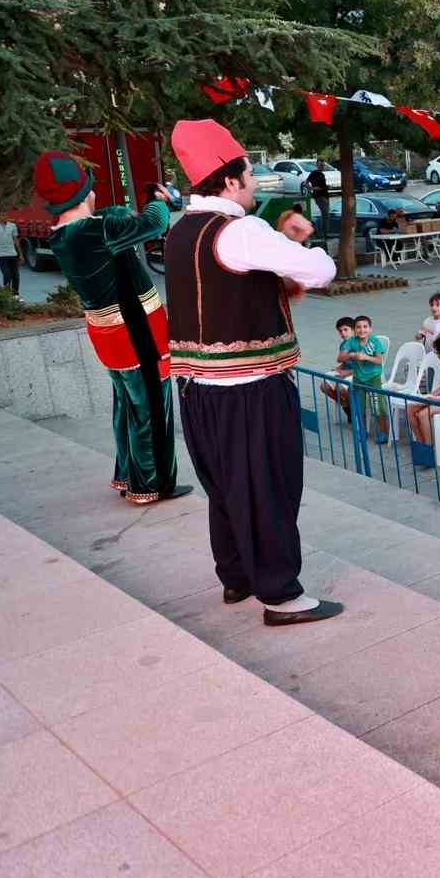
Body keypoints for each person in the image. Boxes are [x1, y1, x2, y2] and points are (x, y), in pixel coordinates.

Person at [164, 119, 339, 623]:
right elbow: (321, 272)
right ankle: (281, 596)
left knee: (225, 489)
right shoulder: (240, 230)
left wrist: (280, 241)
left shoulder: (181, 230)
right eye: (249, 171)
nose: (256, 180)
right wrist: (303, 245)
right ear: (229, 180)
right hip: (250, 390)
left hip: (197, 391)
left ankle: (237, 577)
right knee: (268, 490)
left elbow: (235, 280)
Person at [34, 151, 185, 505]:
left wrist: (117, 213)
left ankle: (127, 475)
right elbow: (154, 224)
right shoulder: (94, 230)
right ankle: (152, 484)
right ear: (82, 195)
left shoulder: (66, 236)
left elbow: (111, 224)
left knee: (127, 404)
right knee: (151, 406)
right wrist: (158, 200)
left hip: (110, 334)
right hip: (135, 331)